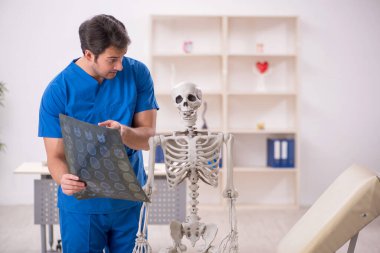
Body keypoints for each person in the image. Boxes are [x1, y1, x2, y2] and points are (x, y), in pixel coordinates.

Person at [38, 14, 159, 253]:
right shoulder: (58, 91)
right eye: (112, 59)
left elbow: (148, 138)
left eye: (122, 57)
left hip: (129, 201)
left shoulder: (137, 74)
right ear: (89, 54)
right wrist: (64, 179)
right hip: (82, 207)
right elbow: (55, 156)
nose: (120, 66)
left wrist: (124, 133)